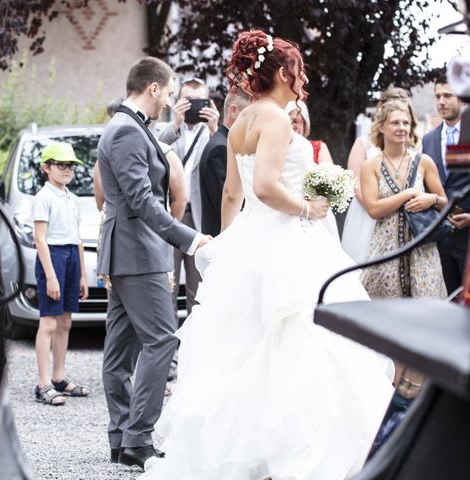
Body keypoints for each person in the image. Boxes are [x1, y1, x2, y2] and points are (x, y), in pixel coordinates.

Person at [139, 30, 393, 480]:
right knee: (295, 342)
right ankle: (292, 454)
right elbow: (265, 187)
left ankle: (248, 456)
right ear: (281, 72)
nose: (303, 79)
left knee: (245, 349)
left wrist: (229, 246)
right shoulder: (276, 118)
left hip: (253, 239)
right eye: (298, 70)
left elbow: (233, 194)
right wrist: (308, 207)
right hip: (287, 239)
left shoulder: (241, 122)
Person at [96, 56, 211, 469]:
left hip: (128, 251)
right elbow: (142, 201)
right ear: (154, 89)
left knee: (121, 350)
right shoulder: (127, 131)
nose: (170, 99)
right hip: (137, 252)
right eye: (169, 90)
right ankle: (137, 438)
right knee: (163, 341)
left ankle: (122, 437)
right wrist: (190, 239)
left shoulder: (128, 126)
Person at [359, 99, 448, 449]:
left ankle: (420, 407)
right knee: (390, 330)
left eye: (405, 123)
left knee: (424, 327)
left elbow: (443, 199)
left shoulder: (423, 161)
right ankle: (392, 407)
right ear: (381, 127)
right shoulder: (371, 165)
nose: (401, 128)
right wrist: (409, 194)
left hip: (422, 256)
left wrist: (429, 200)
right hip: (385, 259)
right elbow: (373, 208)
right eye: (394, 122)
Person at [32, 142, 90, 406]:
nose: (67, 170)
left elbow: (77, 238)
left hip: (70, 257)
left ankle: (59, 377)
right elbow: (40, 239)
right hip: (52, 257)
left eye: (70, 165)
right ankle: (43, 382)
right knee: (49, 322)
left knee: (65, 321)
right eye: (60, 165)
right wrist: (51, 275)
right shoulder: (43, 197)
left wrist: (82, 275)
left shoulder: (72, 198)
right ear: (46, 168)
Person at [158, 77, 220, 316]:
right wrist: (175, 123)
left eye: (199, 101)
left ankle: (194, 347)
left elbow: (223, 163)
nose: (193, 106)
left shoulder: (211, 133)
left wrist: (215, 128)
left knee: (198, 287)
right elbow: (156, 150)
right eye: (187, 100)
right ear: (177, 100)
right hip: (171, 216)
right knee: (167, 285)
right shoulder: (169, 130)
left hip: (199, 218)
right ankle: (169, 347)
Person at [341, 87, 413, 263]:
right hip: (366, 211)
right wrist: (375, 207)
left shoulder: (411, 143)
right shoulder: (363, 142)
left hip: (402, 213)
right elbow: (354, 180)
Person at [422, 76, 470, 295]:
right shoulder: (428, 139)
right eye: (438, 96)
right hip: (440, 235)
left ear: (462, 99)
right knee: (449, 300)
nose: (441, 101)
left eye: (448, 96)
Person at [286, 99, 340, 241]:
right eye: (291, 121)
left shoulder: (318, 147)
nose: (295, 126)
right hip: (288, 212)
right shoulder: (278, 150)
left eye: (299, 122)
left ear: (305, 124)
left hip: (317, 214)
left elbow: (332, 181)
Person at [199, 88, 250, 236]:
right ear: (233, 111)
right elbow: (228, 203)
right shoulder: (220, 149)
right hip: (226, 241)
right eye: (251, 114)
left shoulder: (227, 143)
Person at [286, 99, 333, 164]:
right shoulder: (275, 150)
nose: (293, 126)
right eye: (289, 122)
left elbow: (329, 173)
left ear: (305, 125)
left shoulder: (319, 148)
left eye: (296, 121)